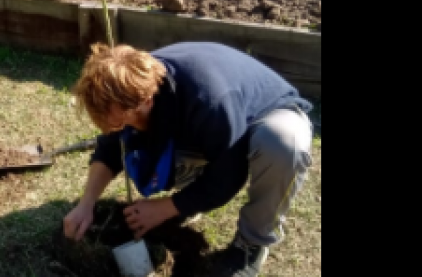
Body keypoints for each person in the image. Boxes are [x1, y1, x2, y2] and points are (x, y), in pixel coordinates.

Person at [61, 42, 314, 277]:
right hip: (213, 125)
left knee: (282, 145)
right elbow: (110, 146)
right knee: (163, 153)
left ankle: (251, 244)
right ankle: (184, 204)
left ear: (146, 100)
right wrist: (87, 203)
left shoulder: (208, 100)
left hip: (267, 112)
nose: (121, 127)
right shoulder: (130, 88)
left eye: (124, 120)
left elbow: (228, 176)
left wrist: (165, 208)